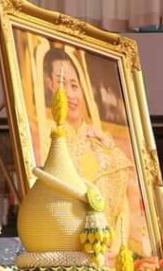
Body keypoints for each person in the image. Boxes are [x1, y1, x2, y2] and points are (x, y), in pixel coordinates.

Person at [27, 44, 151, 257]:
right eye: (62, 83)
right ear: (49, 85)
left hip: (109, 251)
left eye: (75, 86)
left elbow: (126, 196)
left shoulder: (101, 142)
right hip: (65, 251)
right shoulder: (42, 137)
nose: (71, 94)